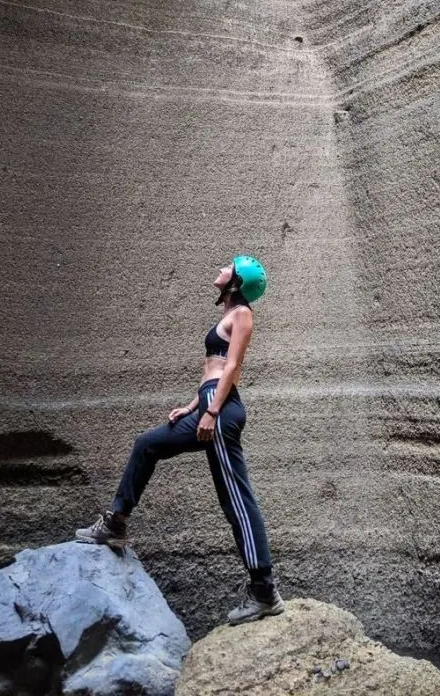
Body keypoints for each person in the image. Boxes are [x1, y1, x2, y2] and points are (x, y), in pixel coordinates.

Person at [75, 255, 285, 625]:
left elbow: (232, 367)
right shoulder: (227, 315)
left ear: (237, 281)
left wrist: (211, 412)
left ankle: (265, 591)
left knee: (236, 500)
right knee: (147, 444)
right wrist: (192, 407)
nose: (220, 269)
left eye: (228, 267)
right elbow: (213, 370)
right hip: (208, 405)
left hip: (220, 412)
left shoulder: (242, 315)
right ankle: (115, 524)